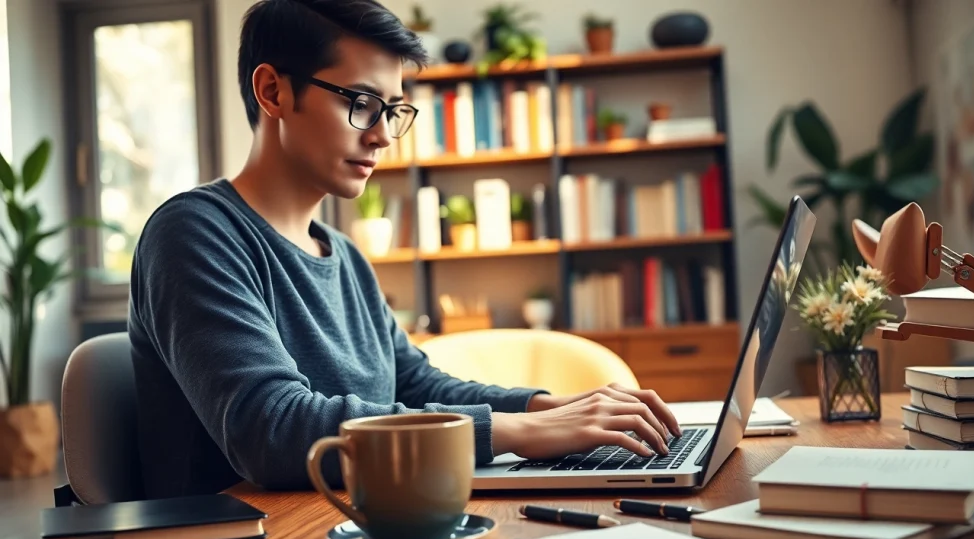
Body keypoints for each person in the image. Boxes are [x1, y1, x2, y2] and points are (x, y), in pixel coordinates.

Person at [128, 0, 681, 500]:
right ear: (273, 91)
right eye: (364, 103)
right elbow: (271, 430)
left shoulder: (342, 254)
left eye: (393, 110)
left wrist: (547, 407)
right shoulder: (193, 234)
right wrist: (520, 432)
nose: (383, 135)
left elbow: (415, 384)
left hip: (356, 519)